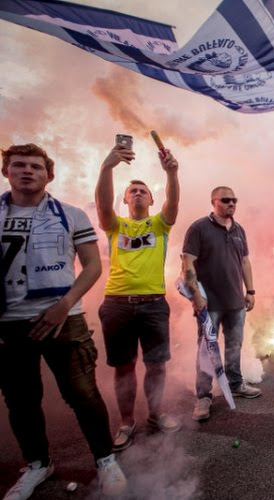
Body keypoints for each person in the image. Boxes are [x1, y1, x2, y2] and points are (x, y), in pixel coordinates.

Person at [0, 144, 127, 498]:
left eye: (36, 167)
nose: (27, 171)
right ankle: (38, 464)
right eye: (19, 165)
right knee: (21, 401)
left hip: (64, 319)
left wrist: (65, 303)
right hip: (8, 323)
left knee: (84, 395)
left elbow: (92, 266)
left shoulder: (70, 215)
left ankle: (105, 459)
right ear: (6, 171)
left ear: (49, 175)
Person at [95, 139, 181, 452]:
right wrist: (108, 167)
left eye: (143, 190)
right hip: (117, 304)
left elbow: (173, 206)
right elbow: (103, 206)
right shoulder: (115, 225)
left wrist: (172, 174)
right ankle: (127, 422)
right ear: (126, 199)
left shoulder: (159, 225)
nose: (138, 193)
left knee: (157, 365)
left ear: (152, 198)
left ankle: (156, 415)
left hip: (154, 304)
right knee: (124, 366)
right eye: (133, 191)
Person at [182, 186, 261, 422]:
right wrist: (196, 296)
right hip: (210, 304)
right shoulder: (199, 228)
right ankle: (203, 397)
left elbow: (245, 261)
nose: (231, 204)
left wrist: (251, 291)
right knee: (206, 351)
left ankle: (235, 383)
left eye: (234, 200)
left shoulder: (239, 229)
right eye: (226, 200)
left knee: (234, 345)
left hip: (235, 302)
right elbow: (188, 264)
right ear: (214, 202)